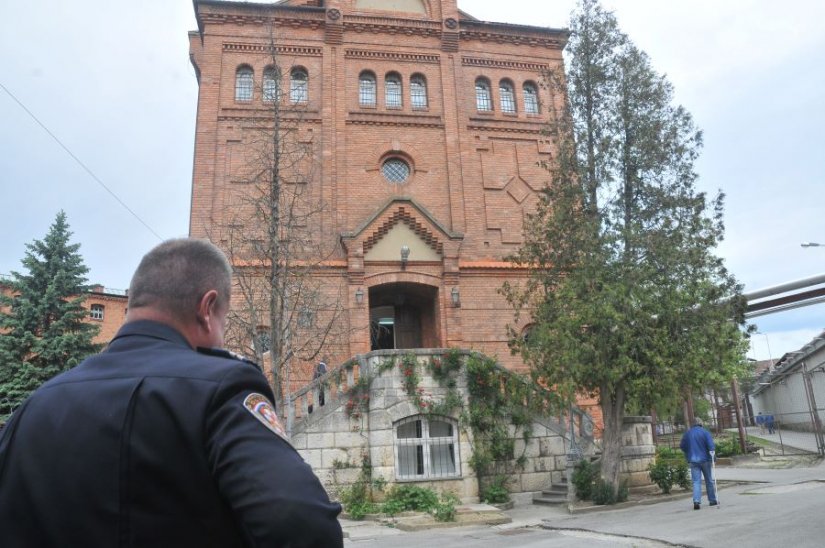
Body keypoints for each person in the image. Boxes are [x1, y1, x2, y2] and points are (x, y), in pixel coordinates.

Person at [0, 238, 343, 547]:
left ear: (135, 301)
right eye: (224, 321)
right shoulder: (223, 389)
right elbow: (305, 529)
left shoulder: (34, 406)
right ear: (207, 309)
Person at [680, 417, 718, 510]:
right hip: (705, 460)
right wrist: (714, 456)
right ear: (701, 423)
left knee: (696, 481)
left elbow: (682, 446)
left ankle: (696, 501)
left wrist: (688, 452)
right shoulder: (705, 432)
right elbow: (711, 446)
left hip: (693, 460)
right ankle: (712, 500)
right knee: (708, 480)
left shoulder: (687, 433)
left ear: (693, 424)